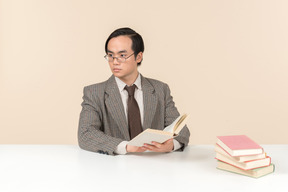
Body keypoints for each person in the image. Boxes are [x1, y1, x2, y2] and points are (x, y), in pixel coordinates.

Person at [78, 27, 190, 155]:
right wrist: (125, 147)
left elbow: (182, 130)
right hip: (112, 168)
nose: (115, 62)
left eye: (122, 55)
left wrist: (171, 145)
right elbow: (85, 134)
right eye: (110, 55)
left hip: (155, 166)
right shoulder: (94, 93)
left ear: (138, 57)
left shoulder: (160, 89)